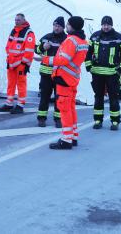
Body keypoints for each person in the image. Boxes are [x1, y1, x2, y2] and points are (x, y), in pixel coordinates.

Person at [49, 16, 89, 150]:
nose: (66, 26)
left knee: (65, 109)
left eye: (67, 24)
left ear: (72, 26)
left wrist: (45, 59)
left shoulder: (71, 40)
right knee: (71, 108)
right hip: (72, 78)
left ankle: (66, 140)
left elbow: (63, 60)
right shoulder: (83, 40)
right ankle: (73, 136)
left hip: (64, 78)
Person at [85, 16, 121, 130]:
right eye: (104, 25)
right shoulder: (95, 36)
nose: (105, 27)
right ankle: (98, 120)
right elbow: (88, 52)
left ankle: (115, 121)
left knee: (113, 97)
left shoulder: (119, 37)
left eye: (108, 25)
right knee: (98, 97)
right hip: (97, 72)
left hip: (112, 73)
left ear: (111, 25)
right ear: (101, 25)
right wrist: (88, 65)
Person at [0, 13, 36, 114]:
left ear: (24, 20)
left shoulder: (29, 33)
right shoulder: (14, 30)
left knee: (21, 84)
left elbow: (29, 51)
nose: (16, 21)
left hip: (21, 63)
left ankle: (20, 105)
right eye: (15, 20)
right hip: (11, 63)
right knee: (10, 84)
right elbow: (8, 45)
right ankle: (9, 103)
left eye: (18, 20)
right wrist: (9, 58)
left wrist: (24, 63)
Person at [34, 16, 66, 127]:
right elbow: (36, 49)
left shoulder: (67, 39)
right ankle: (41, 118)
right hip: (46, 74)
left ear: (63, 27)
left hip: (60, 74)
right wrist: (43, 47)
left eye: (59, 26)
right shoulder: (46, 37)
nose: (56, 28)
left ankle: (58, 119)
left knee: (59, 98)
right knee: (44, 97)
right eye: (55, 25)